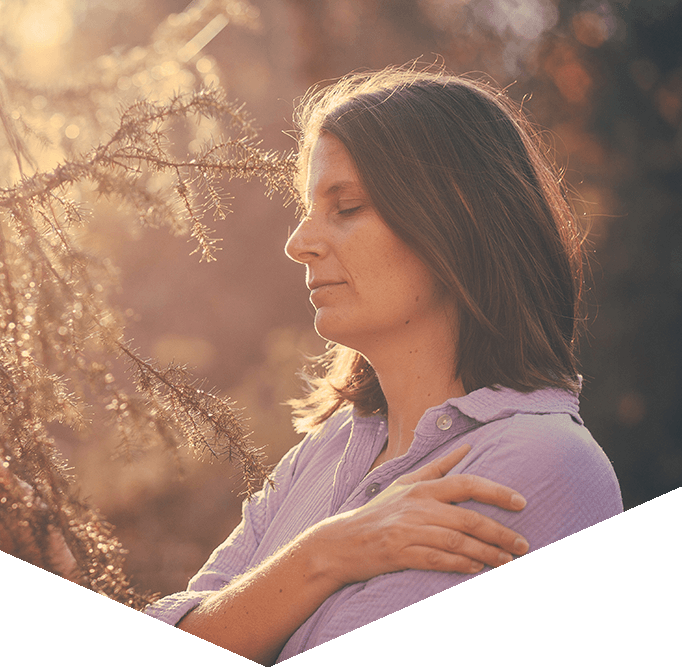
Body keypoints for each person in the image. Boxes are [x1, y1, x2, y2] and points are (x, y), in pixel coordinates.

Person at [139, 67, 623, 664]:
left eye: (346, 206)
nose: (298, 241)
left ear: (458, 221)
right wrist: (328, 551)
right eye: (308, 208)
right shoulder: (322, 451)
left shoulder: (542, 463)